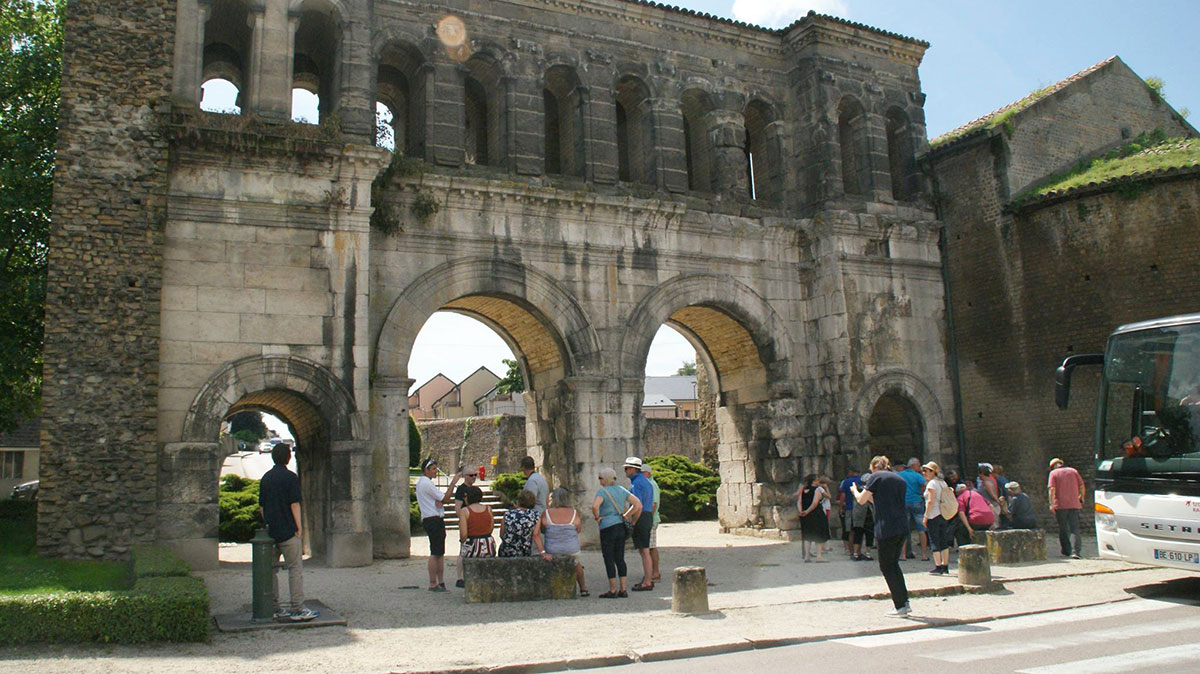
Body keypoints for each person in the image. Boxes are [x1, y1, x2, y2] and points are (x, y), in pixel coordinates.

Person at [259, 444, 317, 621]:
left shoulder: (266, 478)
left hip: (270, 531)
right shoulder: (291, 478)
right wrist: (299, 526)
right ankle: (298, 608)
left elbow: (261, 507)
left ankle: (274, 607)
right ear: (288, 458)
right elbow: (294, 504)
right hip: (288, 530)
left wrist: (267, 522)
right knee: (294, 569)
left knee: (270, 570)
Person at [852, 455, 911, 617]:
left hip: (887, 528)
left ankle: (900, 606)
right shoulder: (899, 479)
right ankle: (904, 602)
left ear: (874, 467)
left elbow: (861, 500)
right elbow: (880, 501)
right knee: (894, 565)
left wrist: (855, 491)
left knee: (886, 566)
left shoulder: (875, 477)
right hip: (902, 526)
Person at [592, 466, 642, 598]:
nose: (600, 480)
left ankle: (613, 589)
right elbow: (637, 504)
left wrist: (597, 518)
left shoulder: (602, 492)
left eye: (600, 478)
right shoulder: (621, 490)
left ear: (605, 479)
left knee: (609, 558)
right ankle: (623, 589)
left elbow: (595, 506)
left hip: (607, 527)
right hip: (620, 526)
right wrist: (626, 515)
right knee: (620, 558)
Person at [415, 457, 462, 592]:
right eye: (434, 469)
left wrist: (440, 502)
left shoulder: (424, 483)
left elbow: (439, 499)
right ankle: (432, 583)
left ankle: (440, 582)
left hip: (434, 518)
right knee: (435, 552)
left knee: (439, 552)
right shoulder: (426, 483)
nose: (436, 471)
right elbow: (445, 498)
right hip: (433, 519)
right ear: (426, 470)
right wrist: (453, 483)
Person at [540, 487, 589, 596]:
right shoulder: (574, 513)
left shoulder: (546, 513)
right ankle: (583, 587)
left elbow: (543, 530)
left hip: (552, 549)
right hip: (571, 548)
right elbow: (578, 529)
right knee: (576, 564)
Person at [623, 457, 657, 591]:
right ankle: (648, 579)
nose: (625, 471)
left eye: (627, 468)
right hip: (647, 516)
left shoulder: (637, 483)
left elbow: (638, 505)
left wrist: (630, 519)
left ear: (633, 469)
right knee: (645, 550)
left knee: (644, 551)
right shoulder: (646, 482)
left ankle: (647, 581)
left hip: (641, 516)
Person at [921, 461, 955, 575]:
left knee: (934, 540)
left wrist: (925, 516)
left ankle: (938, 566)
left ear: (932, 472)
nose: (924, 473)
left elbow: (930, 501)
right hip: (942, 514)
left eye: (926, 471)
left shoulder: (931, 484)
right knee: (943, 540)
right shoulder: (943, 483)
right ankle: (945, 565)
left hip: (933, 514)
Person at [1048, 457, 1086, 558]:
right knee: (1074, 528)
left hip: (1060, 505)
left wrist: (1051, 504)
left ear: (1053, 467)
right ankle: (1075, 552)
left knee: (1063, 528)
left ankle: (1066, 551)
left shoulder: (1053, 473)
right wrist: (1081, 497)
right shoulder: (1073, 471)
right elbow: (1082, 485)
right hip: (1074, 504)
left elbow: (1052, 489)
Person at [452, 466, 480, 588]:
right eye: (471, 475)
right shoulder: (461, 490)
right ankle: (459, 577)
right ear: (464, 476)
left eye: (475, 475)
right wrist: (464, 520)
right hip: (466, 521)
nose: (473, 477)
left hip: (474, 521)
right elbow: (457, 508)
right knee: (463, 549)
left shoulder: (475, 489)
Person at [898, 458, 929, 561]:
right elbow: (926, 485)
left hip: (904, 502)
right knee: (921, 529)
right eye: (918, 465)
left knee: (904, 529)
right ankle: (924, 554)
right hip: (917, 502)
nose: (919, 467)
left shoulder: (900, 475)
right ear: (913, 465)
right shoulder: (917, 476)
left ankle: (903, 554)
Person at [498, 489, 542, 558]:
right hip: (524, 551)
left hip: (506, 550)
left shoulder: (508, 514)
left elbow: (501, 534)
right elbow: (536, 535)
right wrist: (542, 551)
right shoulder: (535, 515)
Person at [797, 474, 830, 562]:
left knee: (807, 535)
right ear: (814, 481)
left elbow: (799, 501)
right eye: (817, 480)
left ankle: (807, 556)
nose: (818, 481)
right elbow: (815, 503)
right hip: (816, 514)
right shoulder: (817, 490)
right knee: (818, 534)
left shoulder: (803, 490)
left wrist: (801, 511)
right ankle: (819, 556)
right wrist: (808, 511)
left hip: (805, 515)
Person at [459, 485, 496, 559]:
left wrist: (462, 542)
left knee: (460, 561)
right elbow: (491, 527)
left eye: (465, 496)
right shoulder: (488, 509)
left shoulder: (465, 511)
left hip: (472, 544)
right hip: (488, 543)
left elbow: (463, 535)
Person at [641, 463, 662, 582]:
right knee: (650, 547)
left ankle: (655, 572)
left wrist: (647, 518)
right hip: (651, 518)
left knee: (651, 547)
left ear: (648, 473)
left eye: (642, 472)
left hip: (651, 519)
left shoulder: (651, 485)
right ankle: (653, 571)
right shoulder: (649, 484)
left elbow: (654, 504)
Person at [838, 468, 862, 556]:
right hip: (861, 508)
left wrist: (841, 507)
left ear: (851, 472)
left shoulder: (846, 482)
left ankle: (851, 550)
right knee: (859, 530)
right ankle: (858, 551)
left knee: (850, 530)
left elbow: (843, 495)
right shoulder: (861, 480)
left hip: (849, 507)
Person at [976, 462, 1002, 529]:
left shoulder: (987, 482)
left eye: (979, 473)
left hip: (993, 507)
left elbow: (993, 495)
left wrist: (999, 503)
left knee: (993, 527)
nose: (978, 475)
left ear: (982, 473)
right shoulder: (985, 481)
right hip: (989, 507)